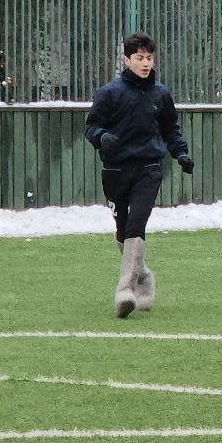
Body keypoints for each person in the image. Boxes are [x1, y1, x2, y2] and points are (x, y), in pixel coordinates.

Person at [84, 34, 193, 318]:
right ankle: (143, 276)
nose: (146, 64)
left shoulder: (160, 94)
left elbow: (171, 130)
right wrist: (103, 138)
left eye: (149, 58)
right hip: (116, 170)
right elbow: (91, 127)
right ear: (126, 60)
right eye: (140, 58)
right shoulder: (109, 93)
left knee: (137, 222)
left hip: (149, 168)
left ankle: (124, 291)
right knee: (123, 232)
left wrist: (180, 153)